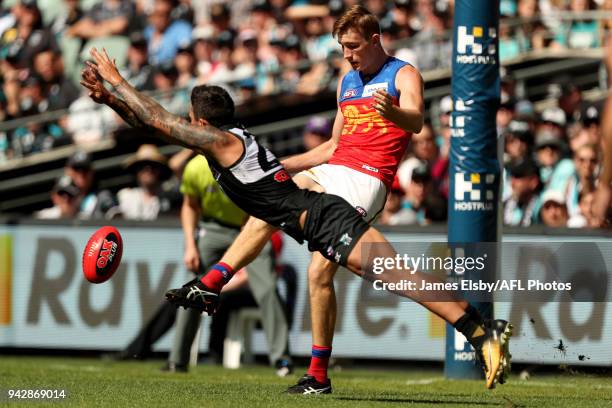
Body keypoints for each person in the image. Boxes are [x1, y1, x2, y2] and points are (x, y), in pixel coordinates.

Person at [83, 46, 511, 392]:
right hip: (315, 215)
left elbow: (159, 119)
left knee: (397, 276)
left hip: (326, 219)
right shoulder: (227, 139)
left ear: (201, 124)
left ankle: (480, 332)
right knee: (383, 272)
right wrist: (111, 100)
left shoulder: (225, 144)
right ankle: (212, 285)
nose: (186, 130)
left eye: (191, 125)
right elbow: (153, 125)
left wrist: (118, 82)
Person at [165, 154, 292, 375]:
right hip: (213, 229)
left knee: (269, 288)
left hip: (250, 225)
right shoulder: (196, 167)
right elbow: (190, 206)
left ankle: (282, 360)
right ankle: (178, 360)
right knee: (191, 286)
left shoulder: (250, 161)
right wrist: (190, 245)